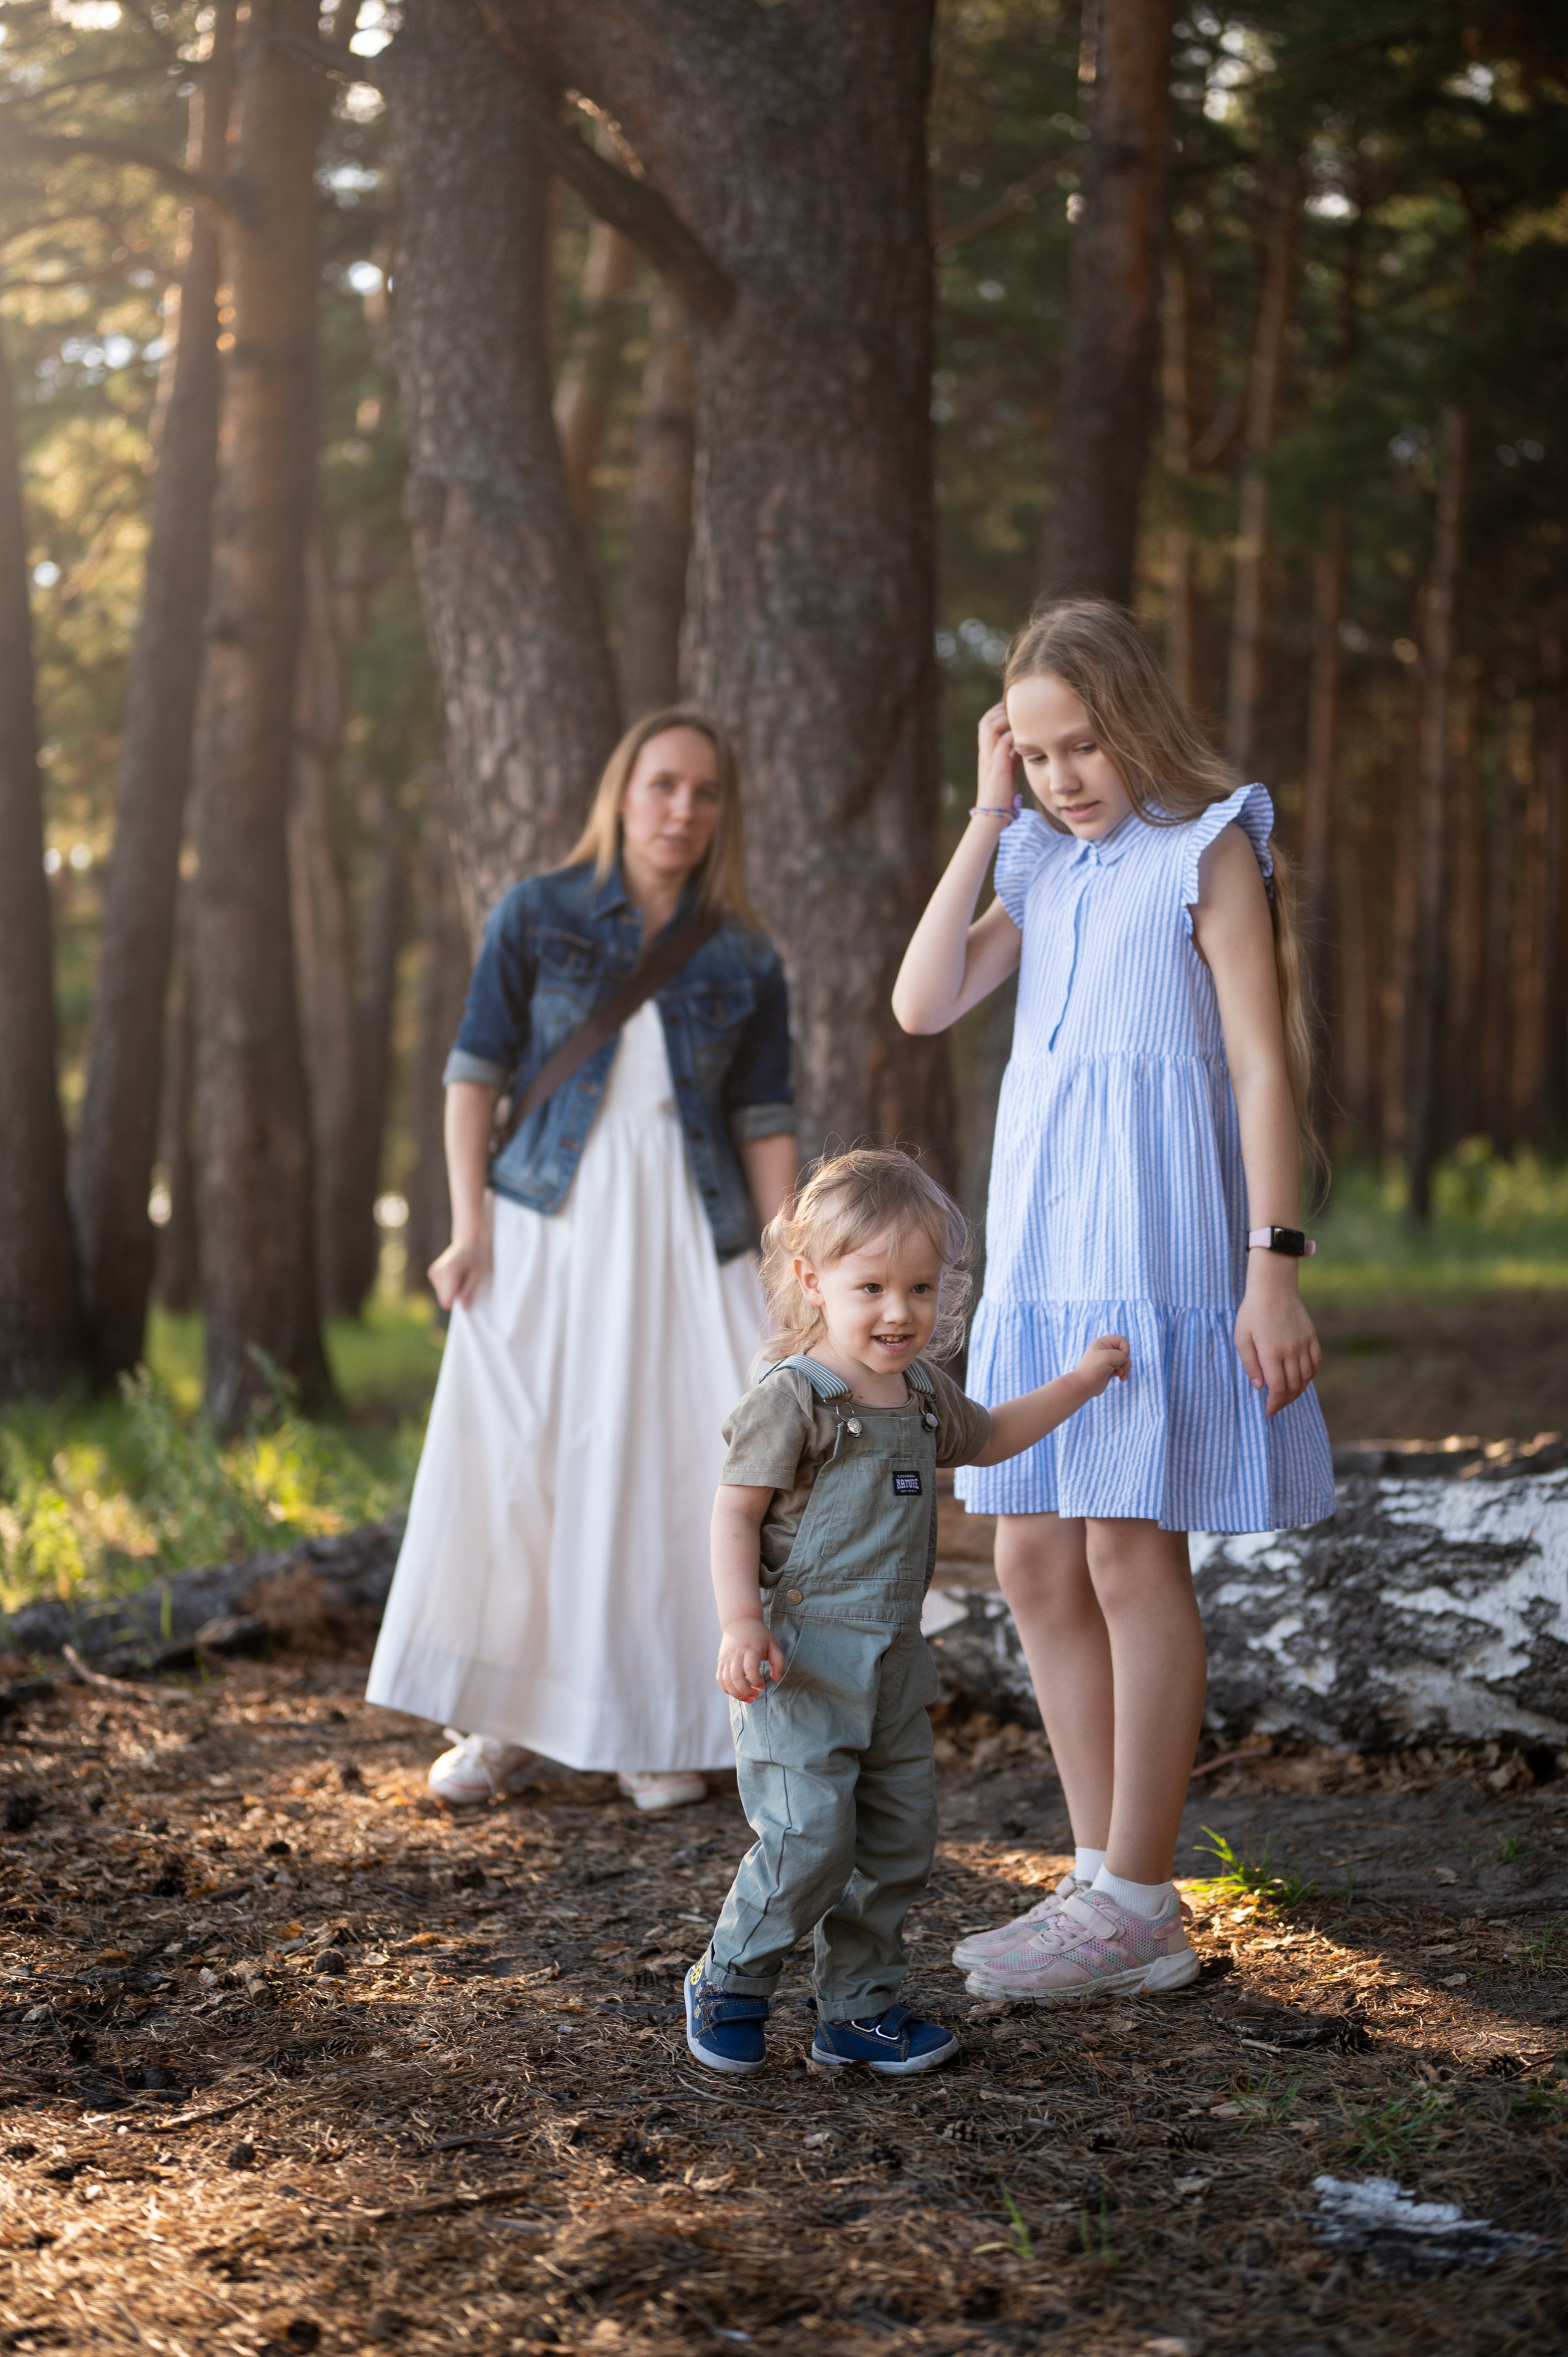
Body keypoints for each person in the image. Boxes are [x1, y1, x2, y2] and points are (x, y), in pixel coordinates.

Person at [890, 598, 1335, 2004]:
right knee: (1027, 1560)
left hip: (1153, 1248)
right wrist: (979, 816)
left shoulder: (1202, 851)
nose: (1062, 777)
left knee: (1129, 1555)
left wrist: (1274, 1261)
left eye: (1080, 745)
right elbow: (920, 1001)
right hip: (1038, 1252)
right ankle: (1095, 1877)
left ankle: (1141, 1899)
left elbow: (1262, 1067)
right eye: (1032, 754)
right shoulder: (1033, 856)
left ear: (1133, 722)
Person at [366, 709, 798, 1813]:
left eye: (704, 793)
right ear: (623, 791)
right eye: (662, 785)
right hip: (546, 1223)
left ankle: (650, 1723)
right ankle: (506, 1720)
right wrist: (469, 1228)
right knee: (522, 1465)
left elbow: (762, 1120)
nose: (681, 809)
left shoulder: (745, 954)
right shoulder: (539, 913)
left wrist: (793, 1262)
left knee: (675, 1469)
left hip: (685, 1229)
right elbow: (474, 1078)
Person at [680, 1148, 1131, 2076]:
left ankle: (857, 2007)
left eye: (921, 1288)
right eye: (873, 1286)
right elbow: (734, 1513)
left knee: (894, 1840)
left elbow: (996, 1435)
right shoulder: (794, 1399)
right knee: (810, 1836)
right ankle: (730, 1978)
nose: (900, 1312)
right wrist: (740, 1624)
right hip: (797, 1661)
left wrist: (1081, 1385)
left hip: (889, 1664)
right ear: (812, 1281)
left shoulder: (924, 1397)